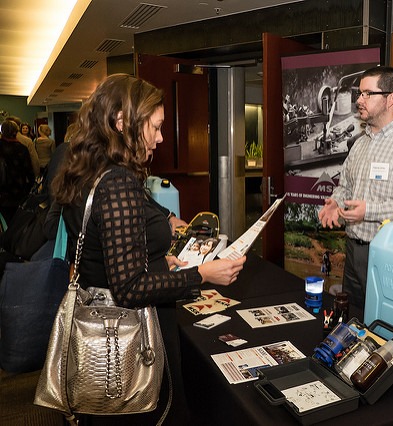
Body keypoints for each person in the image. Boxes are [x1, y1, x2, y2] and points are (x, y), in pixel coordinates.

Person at [48, 73, 246, 424]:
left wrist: (156, 259)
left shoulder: (86, 169)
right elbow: (129, 287)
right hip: (129, 335)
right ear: (123, 122)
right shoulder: (119, 181)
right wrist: (201, 273)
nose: (160, 137)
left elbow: (104, 251)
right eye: (154, 127)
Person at [318, 66, 393, 309]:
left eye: (367, 94)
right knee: (352, 324)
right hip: (354, 253)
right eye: (359, 94)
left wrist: (369, 211)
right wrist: (336, 202)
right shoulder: (359, 145)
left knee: (383, 330)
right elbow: (346, 187)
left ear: (390, 99)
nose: (359, 100)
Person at [0, 119, 35, 223]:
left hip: (2, 191)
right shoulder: (22, 149)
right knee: (16, 221)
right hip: (18, 190)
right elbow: (29, 170)